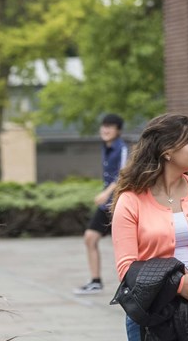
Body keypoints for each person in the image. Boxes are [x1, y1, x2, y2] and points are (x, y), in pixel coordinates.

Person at [110, 113, 188, 341]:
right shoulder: (130, 200)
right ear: (166, 151)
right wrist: (178, 285)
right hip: (152, 311)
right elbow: (126, 268)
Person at [74, 113, 128, 295]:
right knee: (90, 238)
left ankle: (131, 283)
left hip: (120, 204)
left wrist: (106, 193)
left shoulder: (122, 148)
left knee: (125, 244)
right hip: (106, 206)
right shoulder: (106, 147)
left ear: (118, 131)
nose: (105, 130)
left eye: (110, 127)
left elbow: (123, 174)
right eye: (103, 126)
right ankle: (96, 281)